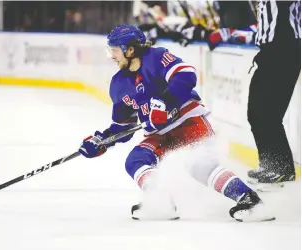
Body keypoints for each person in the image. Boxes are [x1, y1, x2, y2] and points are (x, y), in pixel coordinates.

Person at [78, 24, 274, 222]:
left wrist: (165, 103)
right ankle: (161, 201)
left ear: (130, 49)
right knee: (135, 161)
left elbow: (186, 74)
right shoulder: (119, 84)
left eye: (114, 50)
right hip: (160, 135)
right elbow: (124, 127)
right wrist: (101, 140)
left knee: (197, 165)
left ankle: (250, 200)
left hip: (188, 122)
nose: (112, 55)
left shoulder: (156, 57)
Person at [247, 1, 301, 189]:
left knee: (269, 114)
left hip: (284, 49)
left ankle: (282, 169)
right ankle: (269, 165)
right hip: (269, 52)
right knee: (255, 112)